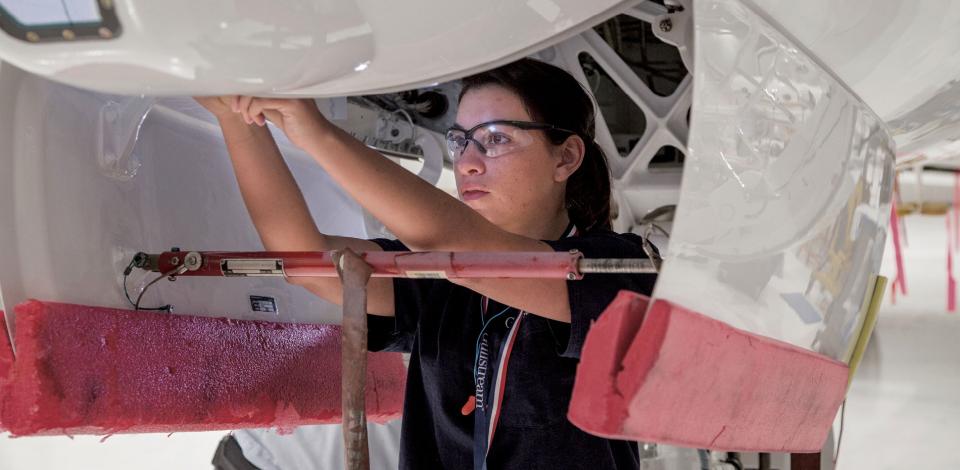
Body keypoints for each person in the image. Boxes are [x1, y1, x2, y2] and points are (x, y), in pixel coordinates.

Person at [197, 57, 657, 470]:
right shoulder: (444, 281)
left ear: (567, 157)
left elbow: (454, 241)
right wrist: (237, 118)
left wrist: (314, 131)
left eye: (497, 138)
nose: (469, 163)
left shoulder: (617, 269)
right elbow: (302, 259)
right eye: (461, 142)